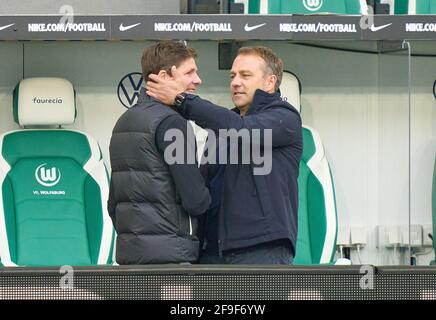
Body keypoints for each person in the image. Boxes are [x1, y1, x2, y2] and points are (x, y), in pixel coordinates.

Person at [146, 46, 303, 265]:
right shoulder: (222, 128)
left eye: (245, 75)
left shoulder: (285, 119)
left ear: (270, 82)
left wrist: (182, 100)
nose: (236, 82)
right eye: (233, 76)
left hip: (261, 250)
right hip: (213, 252)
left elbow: (241, 129)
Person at [107, 40, 211, 264]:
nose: (197, 79)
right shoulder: (172, 122)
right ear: (164, 77)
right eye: (189, 72)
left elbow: (113, 203)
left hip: (130, 254)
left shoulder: (123, 121)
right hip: (173, 256)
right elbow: (195, 200)